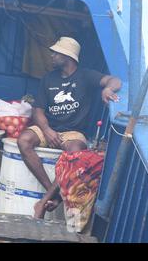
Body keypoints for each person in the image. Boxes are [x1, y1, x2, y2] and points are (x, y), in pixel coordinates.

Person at [16, 36, 121, 219]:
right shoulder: (48, 78)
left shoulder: (85, 76)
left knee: (76, 152)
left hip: (72, 132)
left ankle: (42, 203)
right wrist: (47, 130)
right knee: (23, 140)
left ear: (68, 56)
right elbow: (38, 110)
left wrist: (107, 90)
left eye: (56, 52)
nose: (52, 55)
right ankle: (53, 193)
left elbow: (115, 80)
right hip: (48, 127)